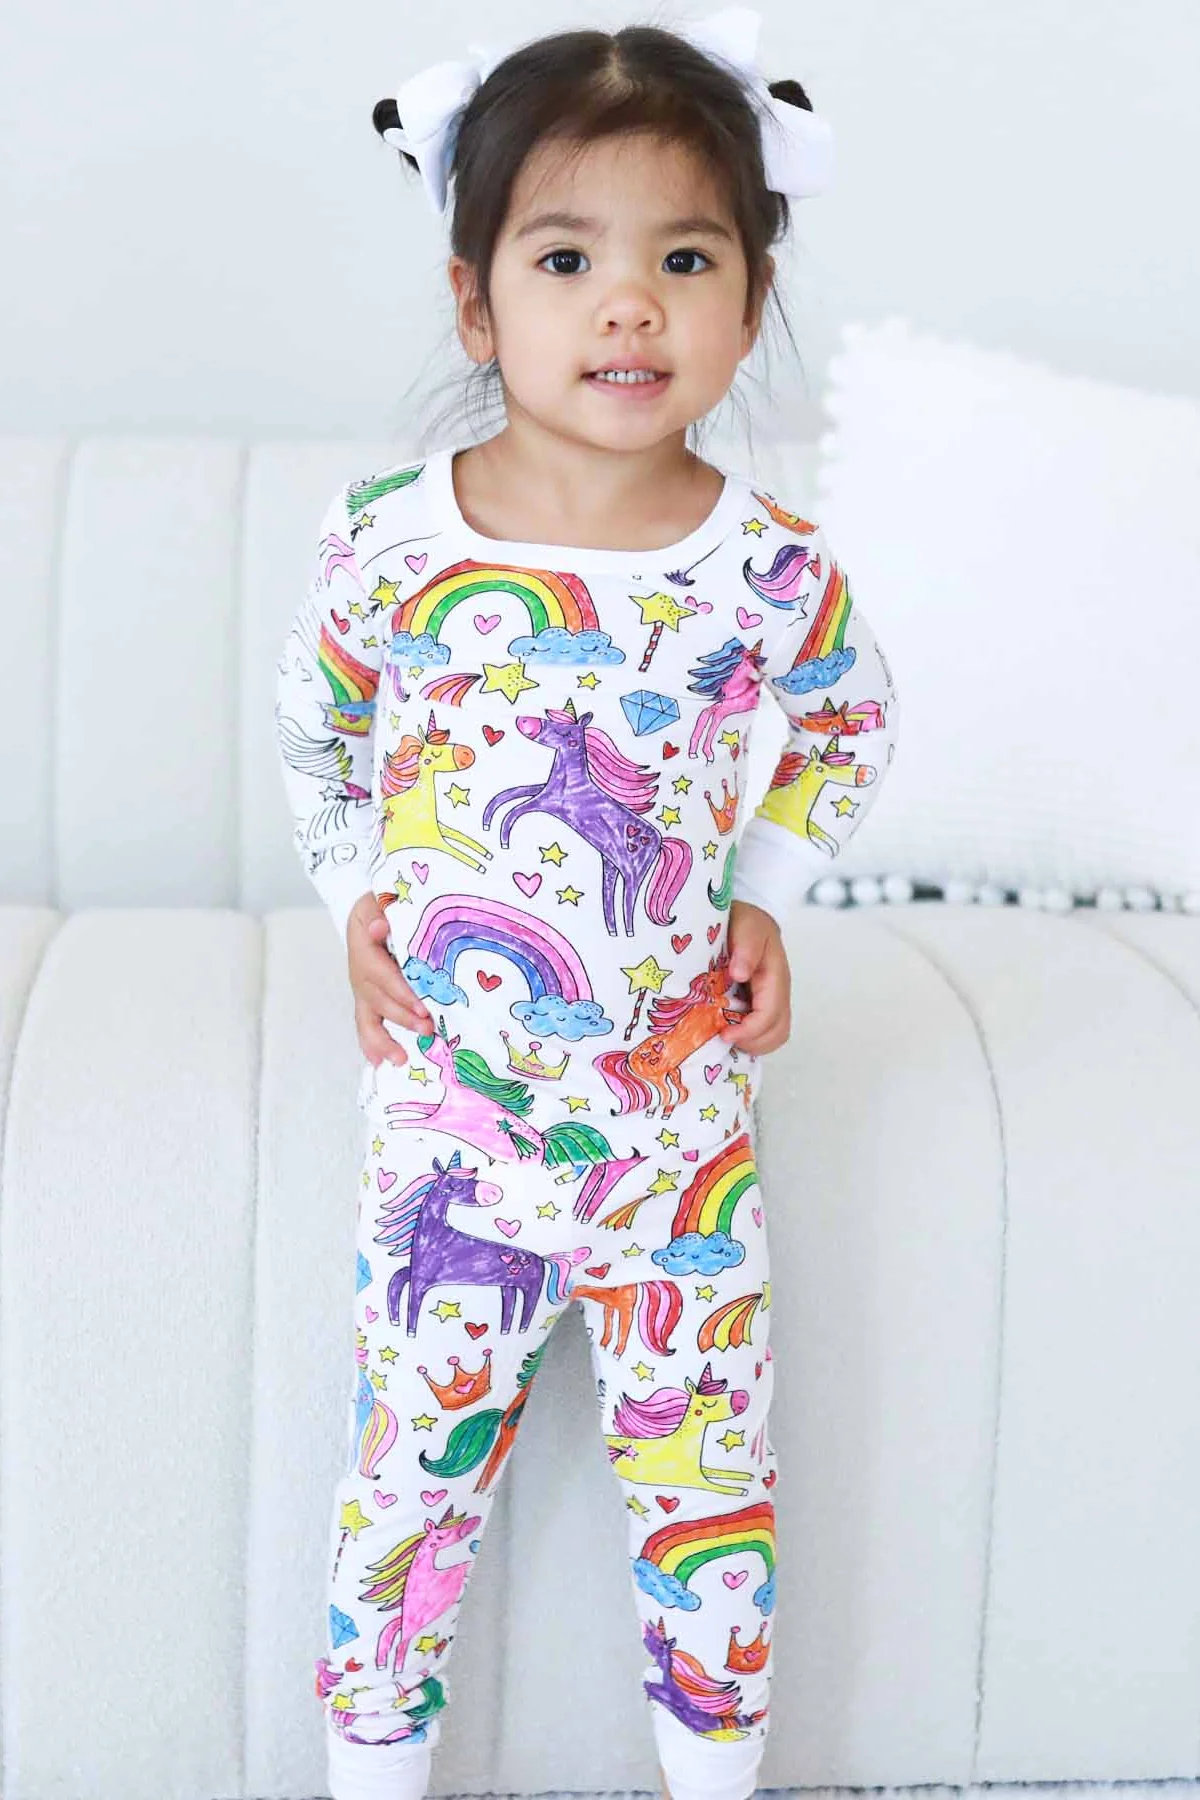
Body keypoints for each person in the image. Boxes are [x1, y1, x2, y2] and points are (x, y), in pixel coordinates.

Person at [273, 9, 900, 1799]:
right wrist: (353, 895)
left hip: (678, 1143)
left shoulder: (767, 567)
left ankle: (716, 1778)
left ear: (751, 304)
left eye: (684, 260)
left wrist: (767, 889)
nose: (629, 305)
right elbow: (316, 726)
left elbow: (847, 725)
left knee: (711, 1492)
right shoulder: (388, 539)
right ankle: (369, 1775)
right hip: (451, 1138)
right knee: (404, 1489)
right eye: (567, 260)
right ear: (477, 305)